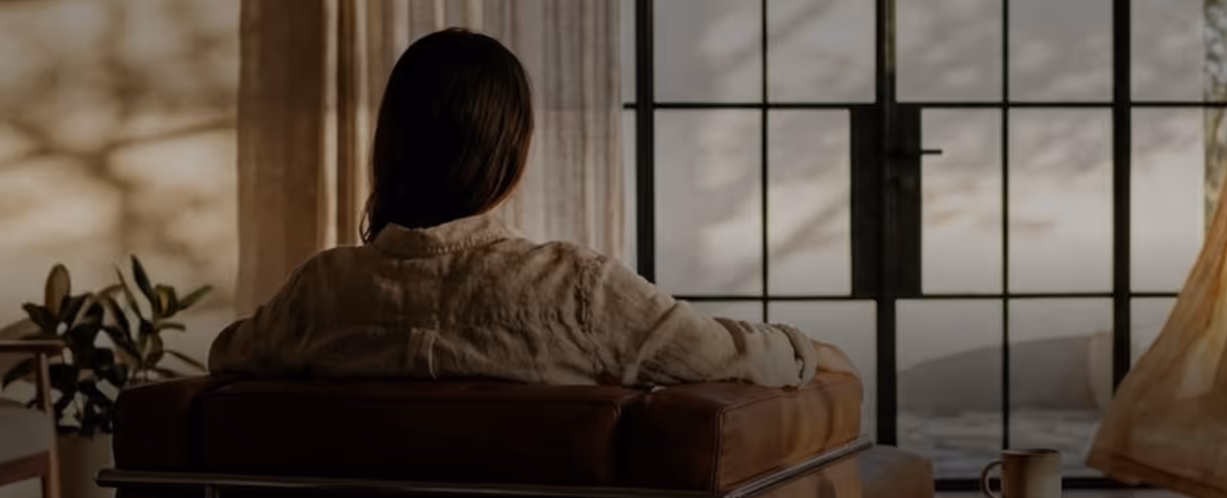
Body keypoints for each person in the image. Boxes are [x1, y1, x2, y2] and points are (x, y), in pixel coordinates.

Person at [210, 29, 854, 388]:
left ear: (391, 146)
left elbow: (228, 355)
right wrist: (809, 351)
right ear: (509, 155)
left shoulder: (317, 292)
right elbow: (722, 357)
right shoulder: (577, 290)